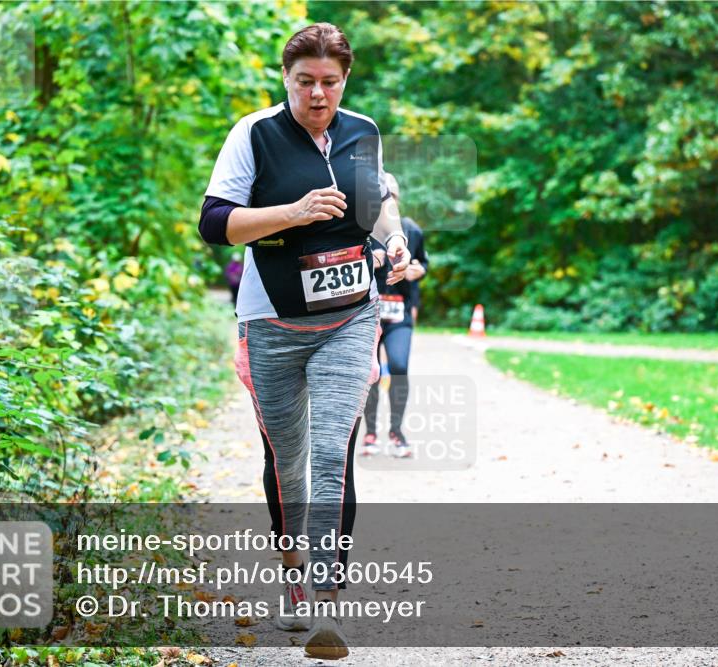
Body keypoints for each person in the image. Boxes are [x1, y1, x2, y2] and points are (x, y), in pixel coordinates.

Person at [197, 22, 409, 660]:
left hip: (349, 316)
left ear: (346, 79)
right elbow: (214, 224)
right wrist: (291, 213)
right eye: (305, 82)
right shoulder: (254, 134)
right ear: (285, 78)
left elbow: (379, 200)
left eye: (330, 83)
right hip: (272, 322)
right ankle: (293, 582)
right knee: (287, 464)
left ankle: (327, 605)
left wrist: (392, 241)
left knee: (330, 455)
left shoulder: (362, 131)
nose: (318, 95)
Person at [361, 173, 428, 458]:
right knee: (371, 374)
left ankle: (397, 432)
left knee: (399, 367)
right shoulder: (360, 229)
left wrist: (418, 271)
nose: (391, 200)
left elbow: (423, 262)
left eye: (395, 196)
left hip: (399, 312)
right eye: (385, 195)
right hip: (367, 312)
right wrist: (372, 261)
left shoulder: (411, 230)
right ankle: (371, 433)